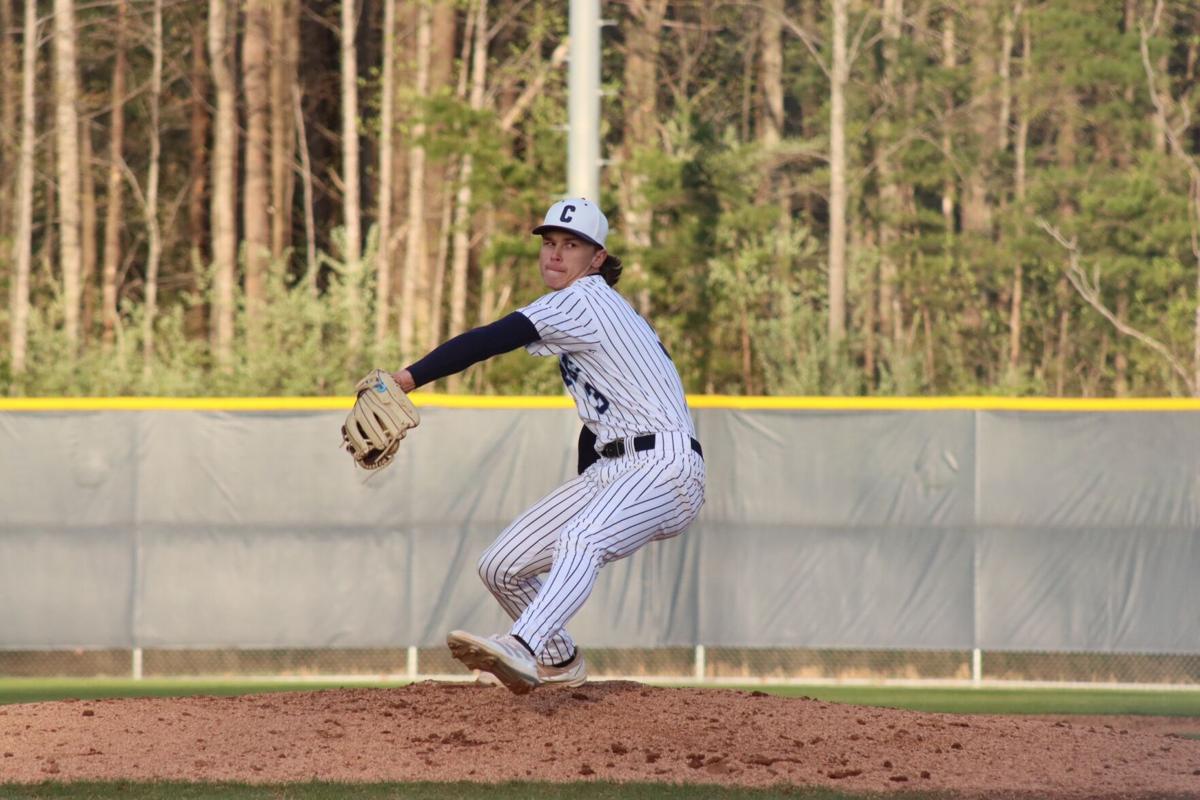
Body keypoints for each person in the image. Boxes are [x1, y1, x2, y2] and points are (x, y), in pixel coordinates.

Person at [392, 198, 706, 694]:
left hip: (664, 465)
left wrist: (407, 378)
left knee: (580, 540)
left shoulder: (582, 300)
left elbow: (492, 338)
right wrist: (590, 484)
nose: (555, 255)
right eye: (550, 244)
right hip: (616, 466)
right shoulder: (590, 315)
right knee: (502, 566)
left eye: (572, 245)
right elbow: (599, 414)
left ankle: (524, 646)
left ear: (597, 258)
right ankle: (560, 661)